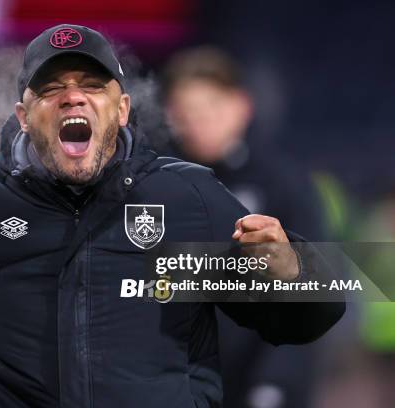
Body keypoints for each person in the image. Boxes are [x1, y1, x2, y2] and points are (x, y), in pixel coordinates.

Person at [0, 24, 344, 408]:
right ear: (23, 116)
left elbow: (305, 321)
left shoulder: (186, 195)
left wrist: (292, 272)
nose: (72, 96)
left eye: (91, 85)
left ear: (122, 109)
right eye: (51, 87)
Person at [161, 47, 329, 408]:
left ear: (242, 106)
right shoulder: (150, 184)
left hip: (255, 382)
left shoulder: (285, 186)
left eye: (212, 107)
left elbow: (311, 291)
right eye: (187, 111)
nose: (200, 121)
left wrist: (275, 385)